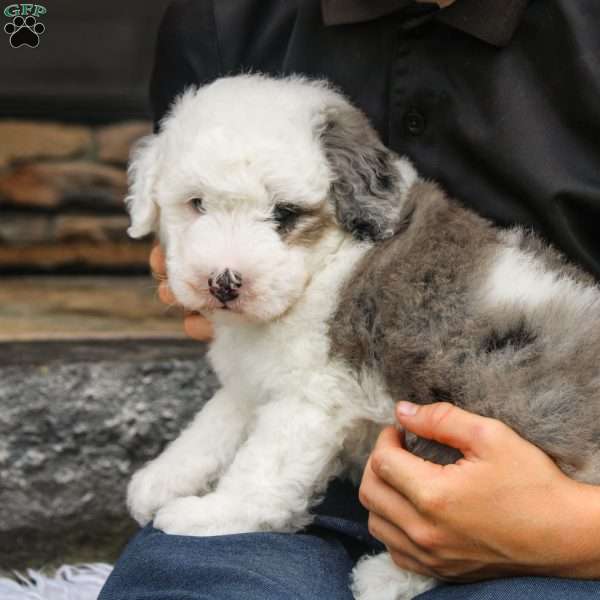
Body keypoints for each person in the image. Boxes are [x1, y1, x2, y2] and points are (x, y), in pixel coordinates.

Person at [100, 1, 600, 598]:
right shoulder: (220, 18)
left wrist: (574, 530)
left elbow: (315, 395)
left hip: (560, 488)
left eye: (284, 215)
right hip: (324, 479)